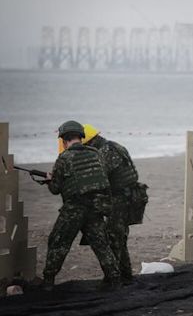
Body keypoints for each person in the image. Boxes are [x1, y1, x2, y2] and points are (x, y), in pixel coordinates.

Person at [43, 120, 120, 290]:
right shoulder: (95, 153)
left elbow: (56, 189)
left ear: (64, 139)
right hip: (96, 206)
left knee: (58, 243)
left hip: (74, 209)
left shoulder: (64, 158)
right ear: (81, 136)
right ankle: (114, 280)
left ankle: (48, 282)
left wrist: (49, 180)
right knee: (101, 245)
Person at [82, 124, 138, 283]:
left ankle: (116, 279)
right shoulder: (113, 146)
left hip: (119, 200)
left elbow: (98, 177)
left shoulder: (106, 152)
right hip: (126, 197)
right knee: (120, 239)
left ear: (89, 142)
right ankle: (126, 276)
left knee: (114, 238)